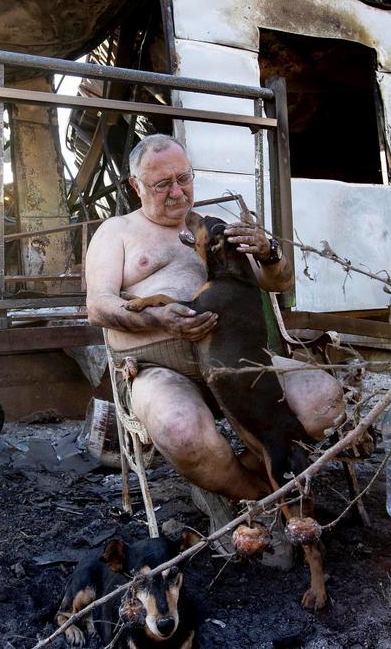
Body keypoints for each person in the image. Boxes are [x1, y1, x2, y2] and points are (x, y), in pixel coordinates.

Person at [85, 133, 344, 502]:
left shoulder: (215, 227)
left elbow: (280, 283)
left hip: (240, 358)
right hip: (160, 367)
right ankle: (251, 493)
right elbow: (98, 307)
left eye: (184, 179)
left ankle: (239, 470)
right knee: (181, 430)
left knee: (326, 401)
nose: (177, 192)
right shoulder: (117, 232)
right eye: (162, 184)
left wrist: (270, 254)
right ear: (135, 186)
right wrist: (160, 319)